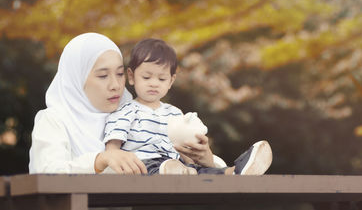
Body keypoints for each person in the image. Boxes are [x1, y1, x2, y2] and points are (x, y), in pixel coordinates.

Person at [103, 38, 273, 175]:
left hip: (178, 165)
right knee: (154, 166)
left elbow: (184, 149)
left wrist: (194, 161)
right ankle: (171, 171)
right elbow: (113, 150)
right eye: (147, 77)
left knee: (200, 170)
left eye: (161, 79)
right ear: (131, 77)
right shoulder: (126, 110)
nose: (154, 84)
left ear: (171, 81)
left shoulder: (175, 113)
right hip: (141, 165)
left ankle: (234, 172)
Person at [29, 32, 148, 174]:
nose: (115, 85)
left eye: (120, 74)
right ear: (77, 79)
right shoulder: (54, 120)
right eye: (103, 76)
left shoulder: (134, 116)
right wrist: (99, 160)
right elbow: (47, 172)